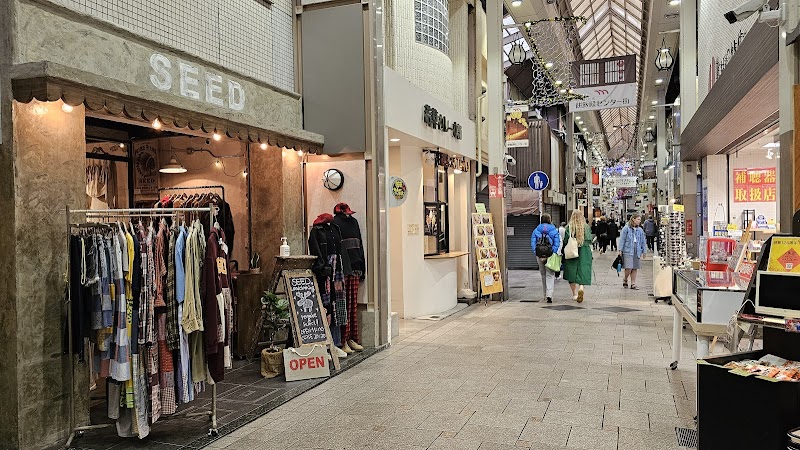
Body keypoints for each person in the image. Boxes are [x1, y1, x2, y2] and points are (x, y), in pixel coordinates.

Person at [563, 210, 593, 303]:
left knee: (571, 272)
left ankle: (575, 294)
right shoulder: (586, 227)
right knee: (583, 270)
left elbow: (565, 240)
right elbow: (589, 240)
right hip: (584, 251)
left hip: (572, 252)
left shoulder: (569, 227)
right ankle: (581, 288)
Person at [531, 214, 561, 303]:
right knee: (550, 275)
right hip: (550, 255)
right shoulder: (554, 230)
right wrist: (553, 252)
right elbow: (557, 242)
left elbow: (533, 242)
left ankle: (544, 294)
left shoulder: (536, 230)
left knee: (543, 275)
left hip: (539, 255)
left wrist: (536, 252)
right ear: (549, 220)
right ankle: (549, 294)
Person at [619, 213, 647, 290]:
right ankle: (625, 278)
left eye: (640, 220)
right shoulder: (626, 228)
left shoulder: (640, 230)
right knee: (629, 267)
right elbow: (622, 240)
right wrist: (620, 250)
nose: (639, 221)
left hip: (637, 250)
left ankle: (633, 283)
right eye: (638, 219)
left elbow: (643, 241)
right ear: (633, 219)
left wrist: (644, 251)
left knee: (635, 267)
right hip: (628, 250)